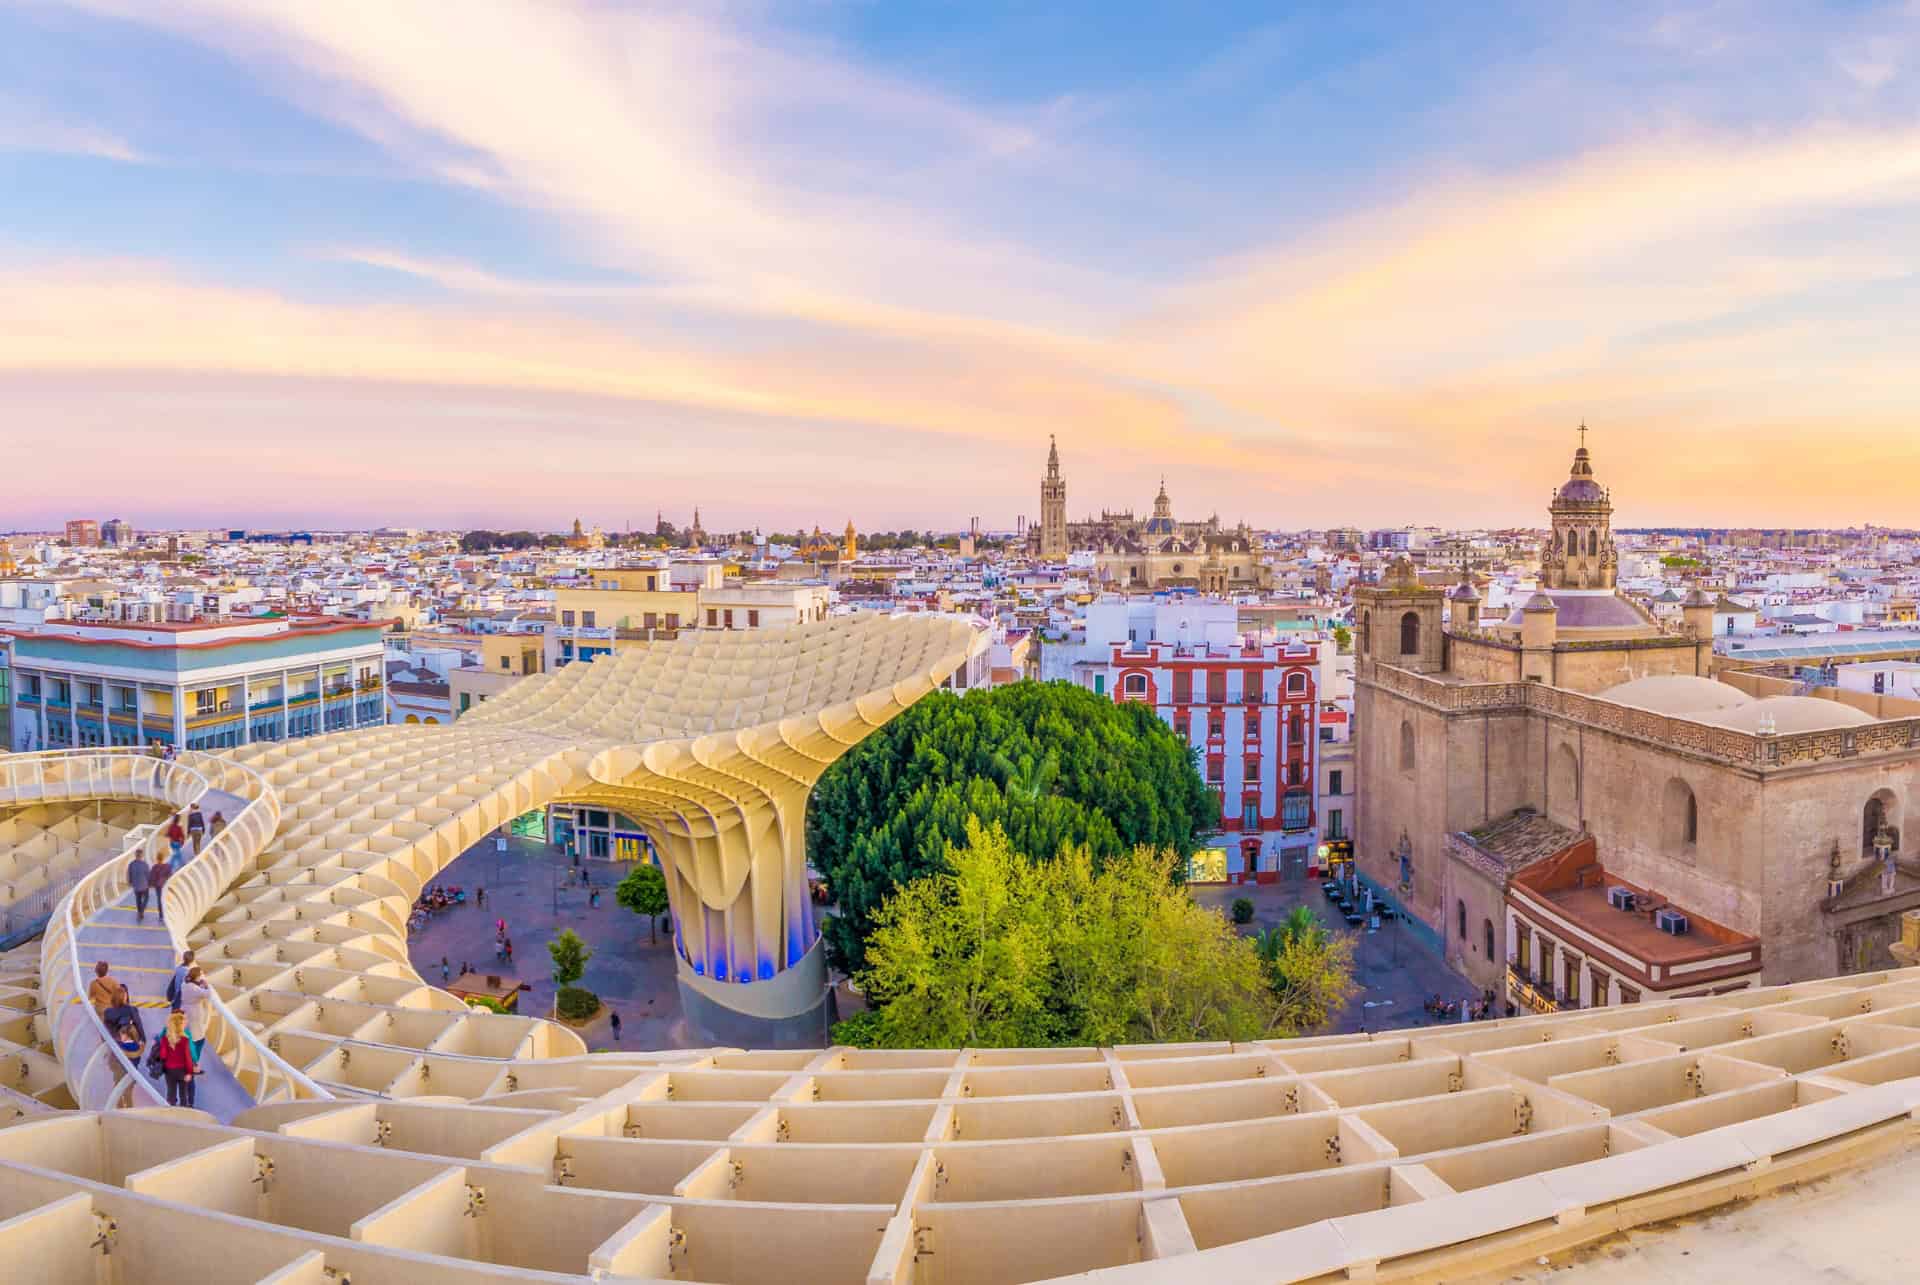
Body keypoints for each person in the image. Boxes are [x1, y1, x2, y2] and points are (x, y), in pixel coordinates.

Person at [157, 1012, 195, 1107]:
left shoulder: (165, 1039)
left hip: (169, 1071)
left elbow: (163, 1056)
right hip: (182, 1071)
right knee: (183, 1095)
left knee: (171, 1094)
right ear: (180, 1026)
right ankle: (183, 1115)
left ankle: (171, 1114)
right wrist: (189, 1072)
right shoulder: (184, 1040)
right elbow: (187, 1058)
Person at [180, 966, 212, 1070]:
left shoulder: (185, 984)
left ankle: (189, 1061)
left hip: (185, 1011)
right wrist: (207, 985)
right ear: (197, 976)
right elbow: (208, 994)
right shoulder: (194, 988)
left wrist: (199, 984)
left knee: (188, 1035)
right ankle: (193, 1062)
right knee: (198, 1039)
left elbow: (195, 990)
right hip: (194, 1014)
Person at [103, 986, 146, 1058]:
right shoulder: (131, 1010)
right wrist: (143, 1040)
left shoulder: (107, 1012)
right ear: (124, 998)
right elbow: (139, 1025)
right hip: (130, 1042)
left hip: (116, 1043)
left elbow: (107, 1027)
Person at [127, 849, 152, 923]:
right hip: (144, 885)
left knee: (138, 899)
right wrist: (150, 883)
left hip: (136, 885)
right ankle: (141, 911)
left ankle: (139, 912)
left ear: (135, 855)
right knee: (146, 898)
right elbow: (148, 875)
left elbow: (129, 874)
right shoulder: (145, 864)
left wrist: (130, 882)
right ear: (141, 855)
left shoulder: (131, 864)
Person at [148, 855, 174, 923]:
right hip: (165, 885)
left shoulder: (154, 867)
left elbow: (152, 877)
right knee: (166, 900)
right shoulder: (167, 866)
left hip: (158, 886)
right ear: (163, 858)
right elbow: (170, 875)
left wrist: (151, 884)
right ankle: (168, 915)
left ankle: (161, 916)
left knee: (159, 900)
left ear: (157, 859)